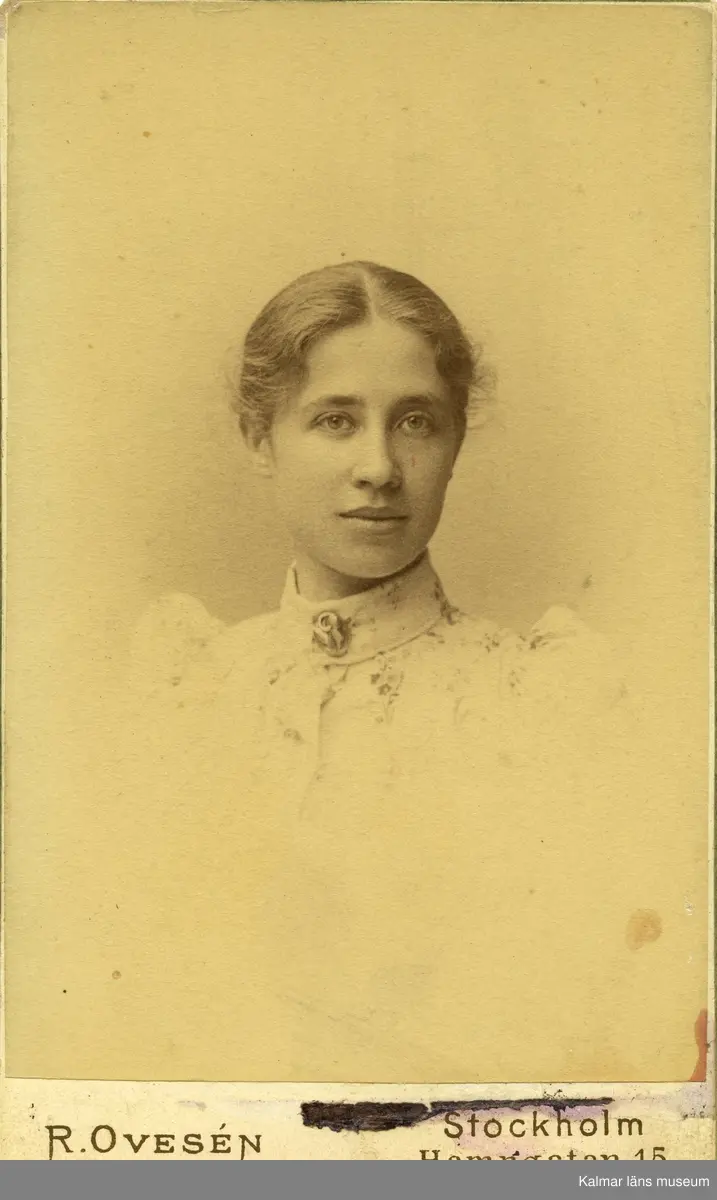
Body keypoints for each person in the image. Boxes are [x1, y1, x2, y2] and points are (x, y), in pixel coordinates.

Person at [113, 262, 701, 1084]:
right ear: (259, 438)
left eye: (416, 422)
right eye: (335, 420)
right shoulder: (187, 692)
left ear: (455, 442)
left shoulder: (539, 705)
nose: (379, 467)